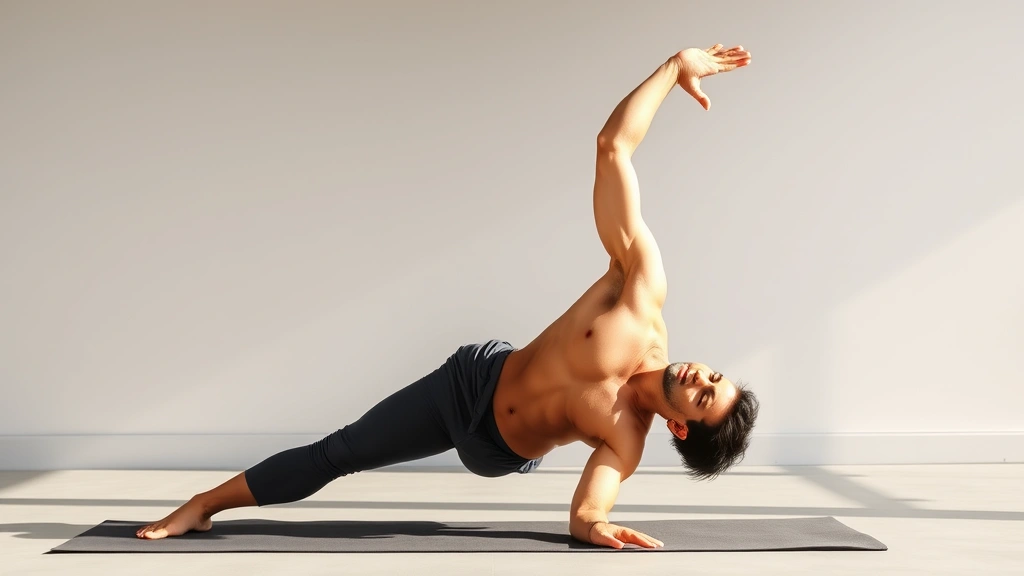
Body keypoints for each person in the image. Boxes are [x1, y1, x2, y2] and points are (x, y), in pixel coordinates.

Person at [136, 43, 759, 550]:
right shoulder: (642, 295)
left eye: (704, 397)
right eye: (715, 376)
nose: (699, 375)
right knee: (341, 452)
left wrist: (597, 527)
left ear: (680, 426)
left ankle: (207, 504)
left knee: (350, 451)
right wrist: (675, 66)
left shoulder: (626, 437)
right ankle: (202, 506)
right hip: (470, 385)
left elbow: (585, 512)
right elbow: (612, 149)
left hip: (494, 449)